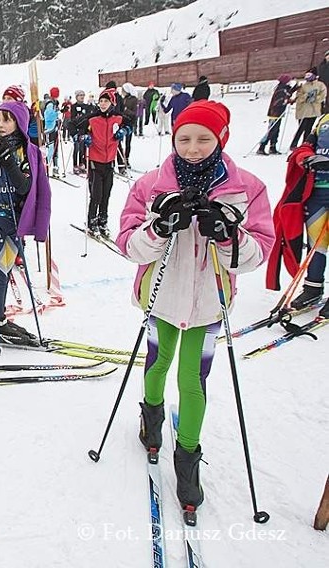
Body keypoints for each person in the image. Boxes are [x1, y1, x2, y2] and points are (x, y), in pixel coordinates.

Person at [116, 100, 274, 516]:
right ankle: (151, 425)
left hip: (209, 304)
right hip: (161, 298)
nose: (193, 147)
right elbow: (128, 244)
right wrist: (158, 228)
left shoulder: (248, 189)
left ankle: (187, 463)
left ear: (222, 138)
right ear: (173, 138)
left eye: (204, 138)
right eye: (184, 138)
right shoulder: (151, 185)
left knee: (193, 378)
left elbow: (260, 252)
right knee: (157, 360)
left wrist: (227, 236)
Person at [0, 100, 52, 345]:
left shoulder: (27, 152)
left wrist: (9, 159)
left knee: (5, 269)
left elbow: (26, 186)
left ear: (18, 123)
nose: (0, 125)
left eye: (6, 120)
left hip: (14, 223)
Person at [273, 114, 329, 312]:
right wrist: (306, 158)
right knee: (316, 245)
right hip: (316, 193)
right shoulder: (323, 120)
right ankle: (313, 287)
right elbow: (305, 146)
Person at [76, 90, 130, 237]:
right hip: (95, 162)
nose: (103, 104)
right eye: (101, 101)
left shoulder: (118, 118)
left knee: (106, 194)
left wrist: (124, 131)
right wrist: (84, 137)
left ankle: (102, 221)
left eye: (106, 101)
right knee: (96, 195)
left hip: (109, 162)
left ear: (112, 103)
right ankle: (92, 221)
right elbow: (76, 128)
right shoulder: (93, 118)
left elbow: (130, 122)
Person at [289, 70, 326, 150]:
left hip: (313, 110)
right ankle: (293, 144)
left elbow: (323, 95)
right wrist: (306, 96)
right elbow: (299, 96)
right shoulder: (303, 86)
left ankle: (305, 144)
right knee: (301, 128)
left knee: (309, 129)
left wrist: (315, 98)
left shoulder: (320, 85)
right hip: (303, 111)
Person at [257, 75, 294, 155]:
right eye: (289, 81)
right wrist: (287, 101)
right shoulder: (281, 90)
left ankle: (273, 147)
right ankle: (262, 146)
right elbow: (279, 102)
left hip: (279, 113)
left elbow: (287, 95)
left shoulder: (284, 89)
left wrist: (292, 91)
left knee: (276, 131)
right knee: (271, 131)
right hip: (274, 114)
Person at [67, 90, 94, 175]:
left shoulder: (86, 106)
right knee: (77, 147)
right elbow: (72, 118)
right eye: (80, 95)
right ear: (76, 97)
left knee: (83, 148)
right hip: (76, 130)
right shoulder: (74, 106)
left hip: (84, 129)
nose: (82, 97)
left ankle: (82, 164)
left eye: (83, 95)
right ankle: (75, 165)